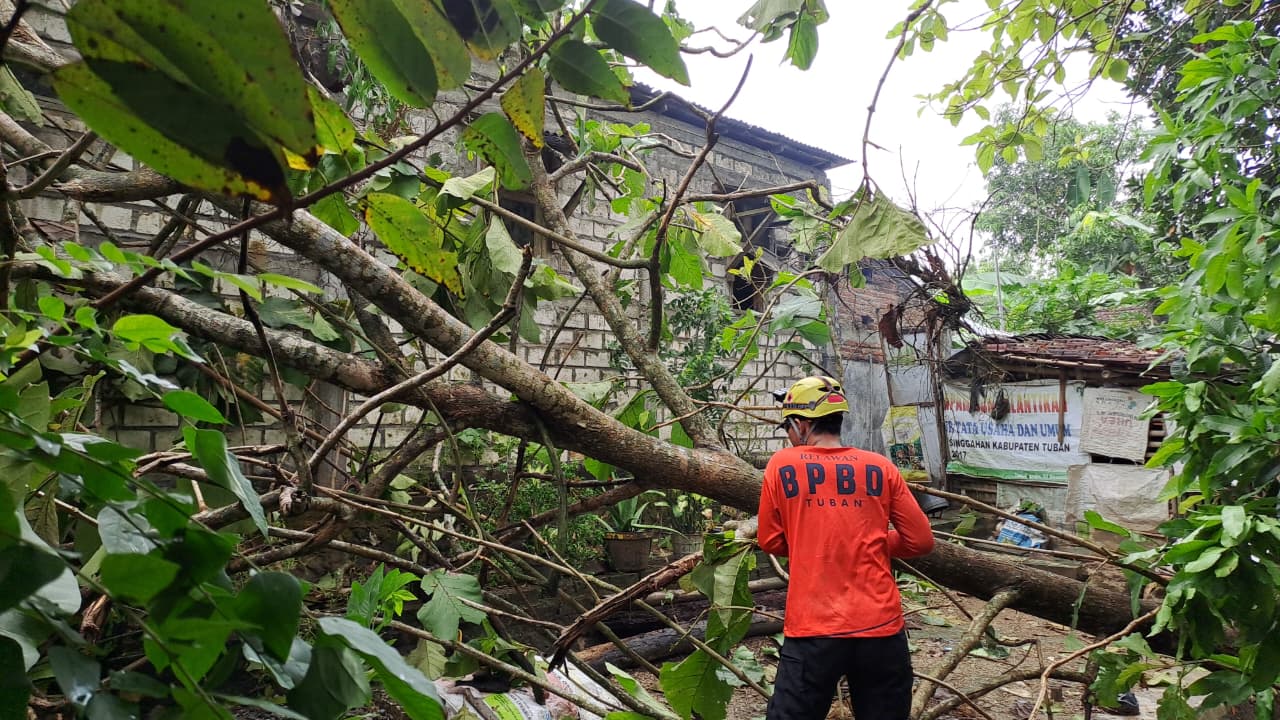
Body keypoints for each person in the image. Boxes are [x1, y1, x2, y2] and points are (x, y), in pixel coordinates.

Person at [758, 375, 935, 720]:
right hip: (880, 628)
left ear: (803, 423)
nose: (788, 435)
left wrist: (811, 541)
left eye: (787, 427)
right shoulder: (881, 466)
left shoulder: (782, 465)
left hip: (813, 629)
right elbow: (920, 540)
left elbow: (770, 539)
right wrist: (871, 543)